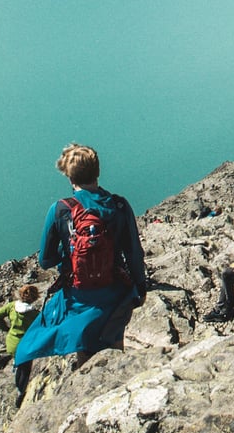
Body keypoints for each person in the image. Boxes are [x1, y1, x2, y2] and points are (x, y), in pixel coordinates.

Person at [15, 144, 147, 371]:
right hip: (116, 292)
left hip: (79, 296)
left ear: (69, 177)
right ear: (97, 171)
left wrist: (70, 256)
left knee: (85, 351)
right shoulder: (119, 205)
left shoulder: (60, 210)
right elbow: (134, 252)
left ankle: (86, 385)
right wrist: (140, 289)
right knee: (115, 346)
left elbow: (45, 260)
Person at [0, 284, 41, 407]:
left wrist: (7, 329)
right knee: (25, 370)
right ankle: (21, 393)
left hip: (11, 342)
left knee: (19, 366)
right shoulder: (34, 314)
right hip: (25, 345)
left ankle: (16, 372)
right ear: (34, 298)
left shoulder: (11, 306)